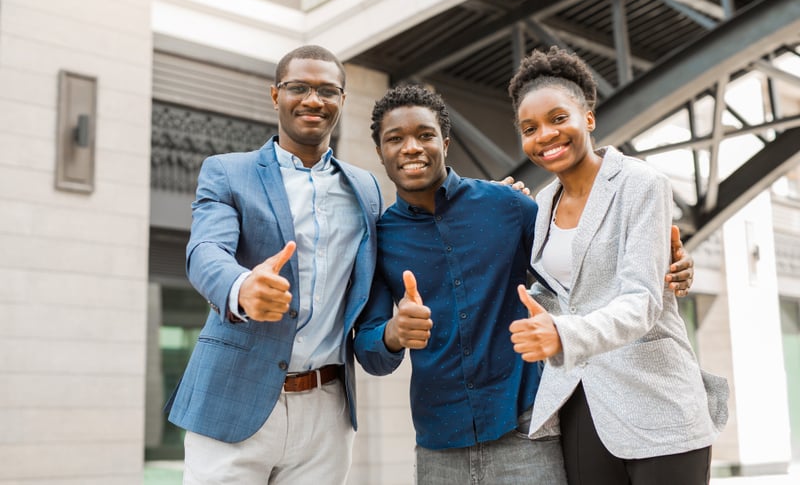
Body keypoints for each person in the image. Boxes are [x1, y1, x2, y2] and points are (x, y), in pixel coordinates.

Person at [353, 84, 695, 485]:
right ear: (380, 152)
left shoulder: (508, 206)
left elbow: (581, 268)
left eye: (425, 135)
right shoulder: (380, 238)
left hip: (526, 429)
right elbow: (370, 351)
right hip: (438, 442)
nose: (411, 147)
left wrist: (673, 264)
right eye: (395, 139)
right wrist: (393, 334)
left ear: (445, 142)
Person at [507, 46, 729, 485]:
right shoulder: (543, 204)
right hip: (581, 398)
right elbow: (565, 292)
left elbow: (641, 300)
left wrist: (562, 333)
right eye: (529, 128)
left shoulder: (641, 184)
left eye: (557, 118)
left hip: (656, 399)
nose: (544, 136)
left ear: (587, 118)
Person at [164, 45, 383, 484]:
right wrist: (242, 287)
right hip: (233, 400)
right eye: (297, 87)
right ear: (274, 95)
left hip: (327, 408)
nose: (312, 99)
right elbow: (205, 250)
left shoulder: (366, 187)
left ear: (342, 100)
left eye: (327, 90)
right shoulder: (228, 172)